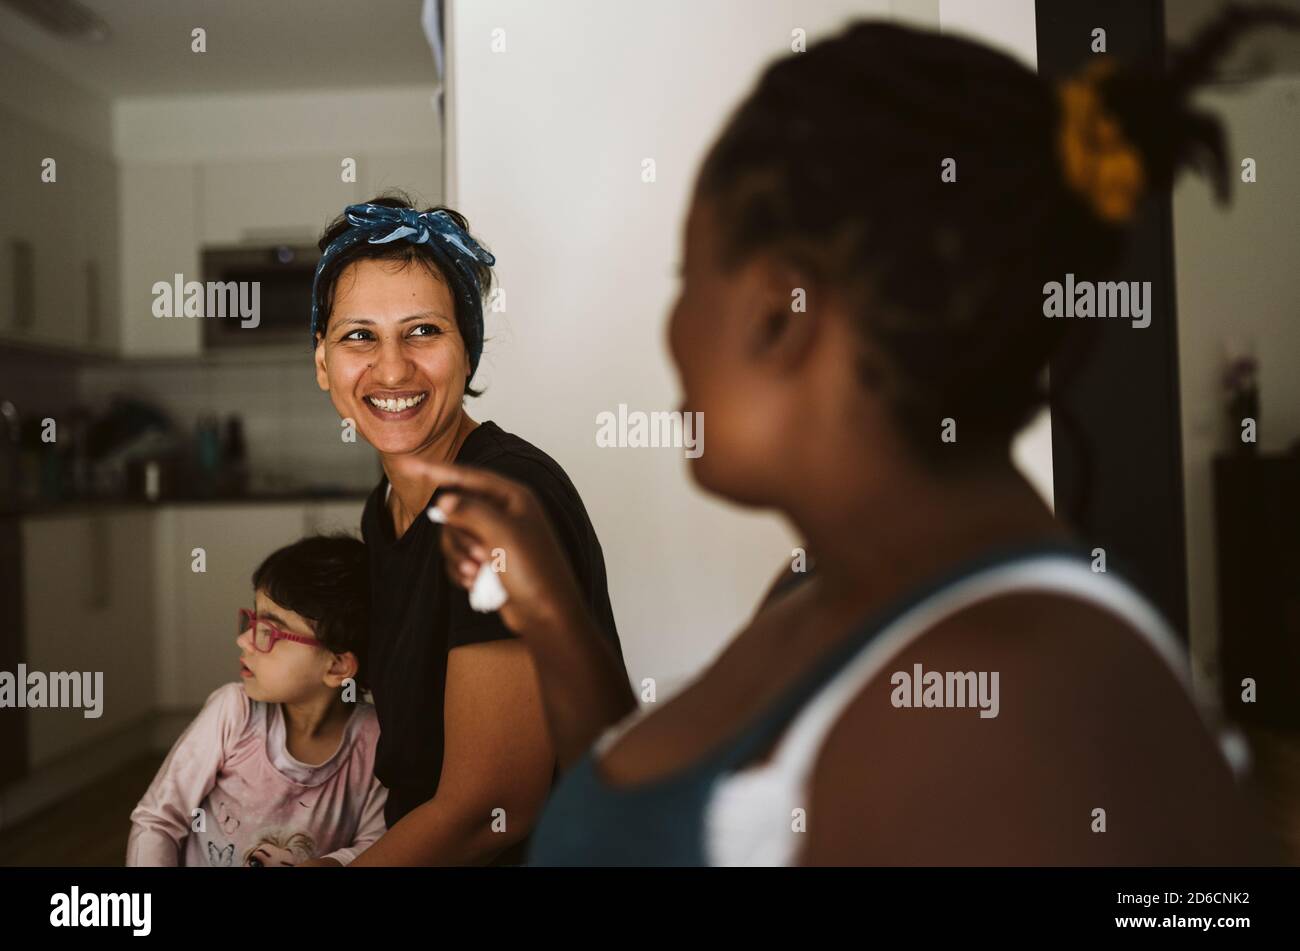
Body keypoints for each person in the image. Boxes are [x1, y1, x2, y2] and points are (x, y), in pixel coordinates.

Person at [411, 8, 1297, 864]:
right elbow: (678, 834)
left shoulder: (1016, 700)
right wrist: (551, 613)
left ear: (775, 313)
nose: (672, 328)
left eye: (689, 275)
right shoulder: (819, 592)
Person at [311, 194, 625, 864]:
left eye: (423, 330)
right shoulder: (386, 509)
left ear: (468, 351)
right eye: (358, 335)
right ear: (323, 364)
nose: (392, 368)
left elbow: (492, 810)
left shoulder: (503, 496)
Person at [127, 535, 385, 866]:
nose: (243, 639)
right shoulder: (233, 712)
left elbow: (379, 845)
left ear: (336, 666)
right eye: (253, 622)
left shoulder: (374, 739)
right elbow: (158, 821)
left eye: (269, 632)